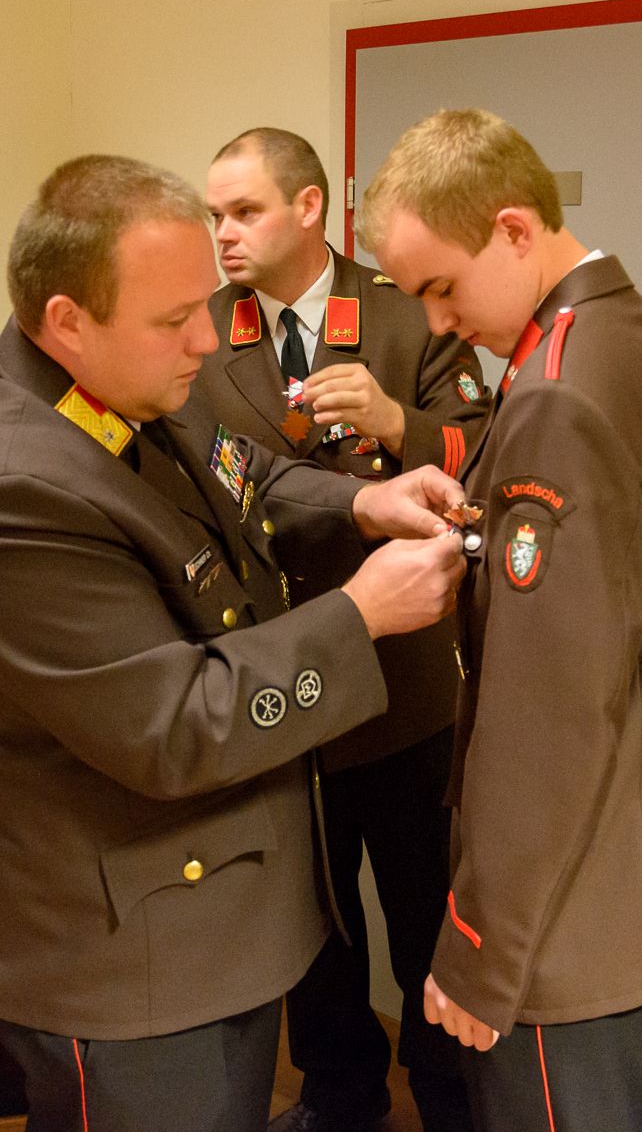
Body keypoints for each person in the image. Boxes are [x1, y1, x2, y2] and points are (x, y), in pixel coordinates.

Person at [0, 154, 470, 1132]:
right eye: (175, 319)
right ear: (67, 321)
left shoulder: (119, 388)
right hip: (128, 967)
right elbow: (173, 722)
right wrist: (360, 615)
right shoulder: (12, 486)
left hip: (207, 930)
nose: (206, 339)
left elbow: (241, 472)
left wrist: (363, 504)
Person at [360, 108, 642, 1132]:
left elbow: (546, 714)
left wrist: (479, 944)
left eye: (441, 287)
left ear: (514, 229)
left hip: (579, 918)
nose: (436, 323)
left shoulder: (555, 393)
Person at [199, 127, 486, 1132]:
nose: (224, 234)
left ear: (310, 206)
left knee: (425, 916)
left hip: (404, 686)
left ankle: (448, 1102)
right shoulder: (201, 333)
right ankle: (339, 1098)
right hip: (279, 679)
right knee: (310, 931)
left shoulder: (406, 311)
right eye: (215, 215)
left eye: (244, 211)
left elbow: (491, 446)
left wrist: (398, 422)